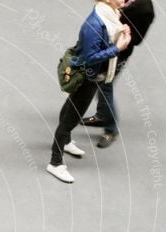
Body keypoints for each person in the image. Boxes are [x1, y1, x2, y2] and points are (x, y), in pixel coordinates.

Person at [47, 0, 132, 184]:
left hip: (93, 76)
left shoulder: (111, 15)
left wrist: (120, 36)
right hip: (88, 79)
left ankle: (66, 142)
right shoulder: (94, 25)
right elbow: (90, 58)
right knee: (71, 120)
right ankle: (55, 162)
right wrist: (118, 48)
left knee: (70, 106)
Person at [81, 0, 156, 148]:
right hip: (104, 45)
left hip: (118, 52)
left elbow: (137, 39)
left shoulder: (144, 9)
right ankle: (102, 116)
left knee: (105, 87)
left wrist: (122, 33)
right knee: (102, 86)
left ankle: (111, 130)